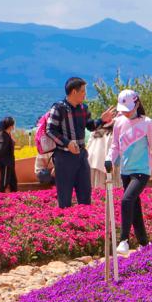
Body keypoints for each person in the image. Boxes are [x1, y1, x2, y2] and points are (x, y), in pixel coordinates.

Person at [106, 90, 152, 255]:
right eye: (123, 108)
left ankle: (123, 240)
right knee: (135, 208)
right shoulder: (118, 122)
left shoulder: (147, 123)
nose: (126, 111)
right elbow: (115, 146)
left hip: (142, 171)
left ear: (137, 104)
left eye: (128, 108)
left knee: (126, 200)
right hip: (125, 171)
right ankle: (145, 244)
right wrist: (109, 159)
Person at [46, 77, 116, 208]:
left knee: (85, 193)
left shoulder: (83, 108)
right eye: (83, 91)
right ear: (74, 92)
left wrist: (102, 120)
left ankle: (85, 221)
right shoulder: (58, 108)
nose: (85, 94)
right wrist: (67, 143)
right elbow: (50, 130)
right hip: (64, 156)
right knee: (65, 197)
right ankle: (66, 223)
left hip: (81, 156)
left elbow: (91, 126)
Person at [0, 117, 17, 192]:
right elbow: (1, 149)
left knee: (13, 182)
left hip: (9, 162)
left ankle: (15, 198)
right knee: (4, 183)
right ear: (11, 126)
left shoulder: (4, 134)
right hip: (6, 162)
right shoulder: (3, 135)